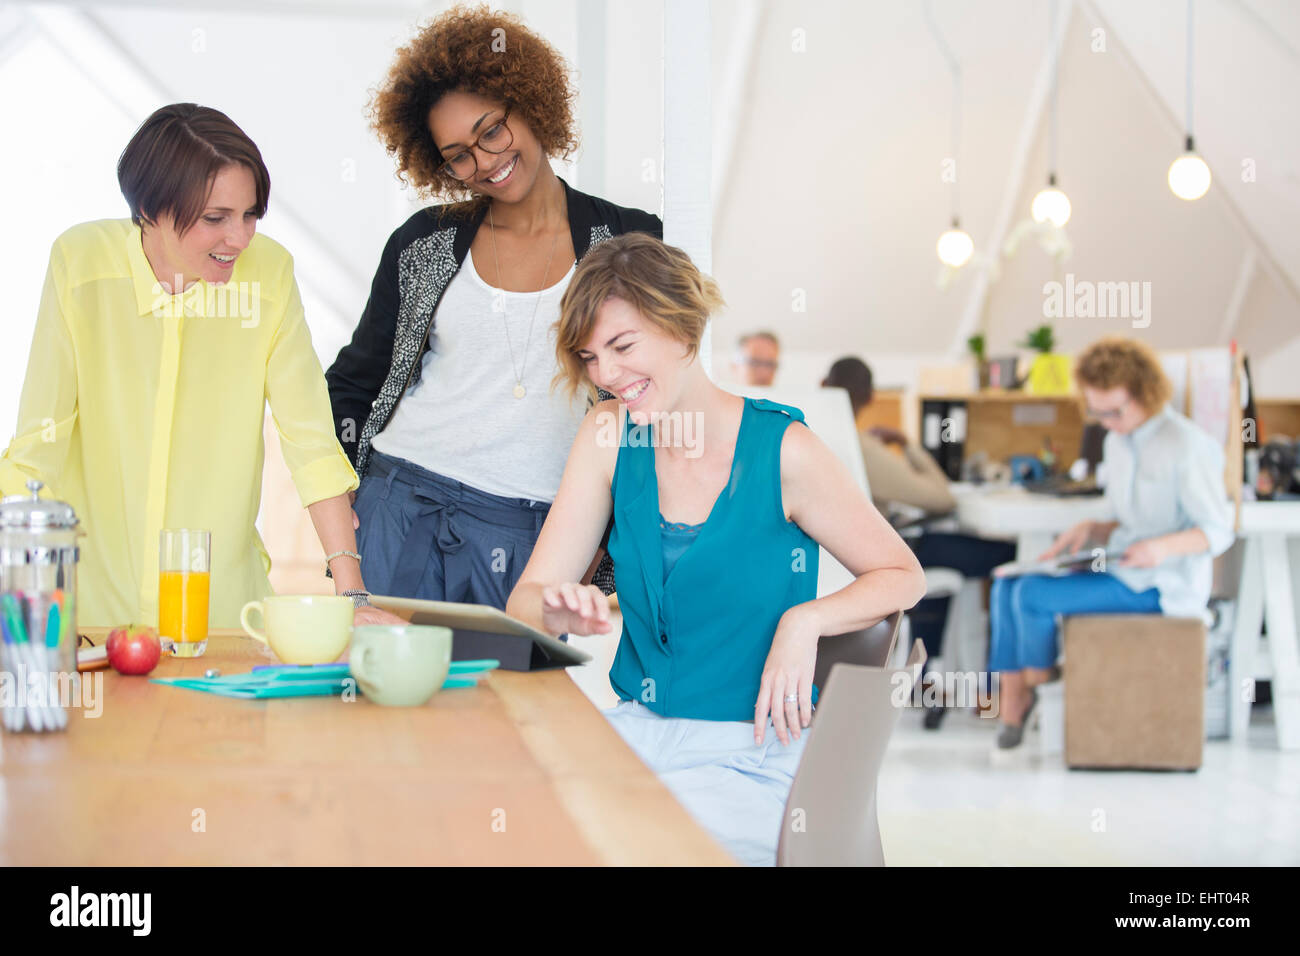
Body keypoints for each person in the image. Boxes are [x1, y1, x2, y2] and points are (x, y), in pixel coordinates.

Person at [505, 234, 926, 865]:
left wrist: (805, 620)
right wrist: (556, 614)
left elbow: (902, 574)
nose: (607, 375)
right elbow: (523, 606)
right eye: (591, 357)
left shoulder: (782, 449)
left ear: (682, 329)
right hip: (636, 740)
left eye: (622, 346)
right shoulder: (608, 439)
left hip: (752, 757)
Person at [0, 104, 400, 628]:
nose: (239, 239)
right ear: (150, 208)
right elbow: (37, 449)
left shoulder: (270, 276)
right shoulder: (81, 263)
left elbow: (311, 441)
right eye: (216, 218)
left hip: (225, 619)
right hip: (90, 617)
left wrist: (353, 597)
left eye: (250, 215)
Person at [326, 6, 661, 610]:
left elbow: (657, 396)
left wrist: (602, 549)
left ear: (530, 105)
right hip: (402, 506)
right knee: (385, 703)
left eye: (491, 131)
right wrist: (349, 503)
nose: (483, 161)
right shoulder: (423, 242)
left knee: (517, 703)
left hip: (541, 534)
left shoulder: (630, 242)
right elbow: (351, 381)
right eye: (457, 154)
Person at [990, 337, 1234, 749]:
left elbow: (1218, 530)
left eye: (1114, 411)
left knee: (1031, 594)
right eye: (1097, 413)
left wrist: (1161, 548)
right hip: (1121, 565)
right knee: (1005, 585)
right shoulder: (1117, 442)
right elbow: (1130, 516)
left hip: (1161, 583)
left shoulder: (1186, 445)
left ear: (1145, 395)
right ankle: (1016, 699)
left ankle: (1036, 683)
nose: (1106, 421)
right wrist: (1093, 528)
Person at [823, 356, 1013, 728]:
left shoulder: (813, 436)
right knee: (1009, 556)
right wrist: (909, 445)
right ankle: (993, 689)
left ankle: (938, 679)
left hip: (849, 564)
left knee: (948, 557)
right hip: (892, 559)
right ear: (870, 396)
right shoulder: (863, 447)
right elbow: (942, 499)